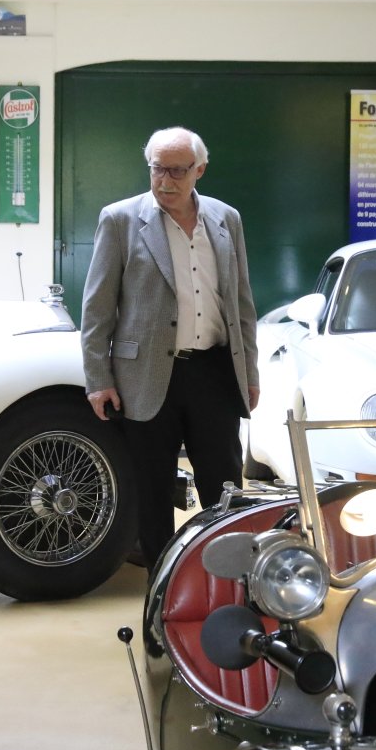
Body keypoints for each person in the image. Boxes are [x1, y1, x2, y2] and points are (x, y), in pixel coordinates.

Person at [80, 126, 259, 570]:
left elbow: (241, 303)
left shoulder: (227, 219)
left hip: (215, 372)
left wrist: (249, 373)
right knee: (151, 491)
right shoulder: (120, 220)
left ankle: (224, 582)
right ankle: (161, 588)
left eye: (177, 171)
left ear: (200, 170)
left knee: (225, 489)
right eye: (157, 169)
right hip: (144, 377)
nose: (165, 181)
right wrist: (98, 379)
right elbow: (97, 308)